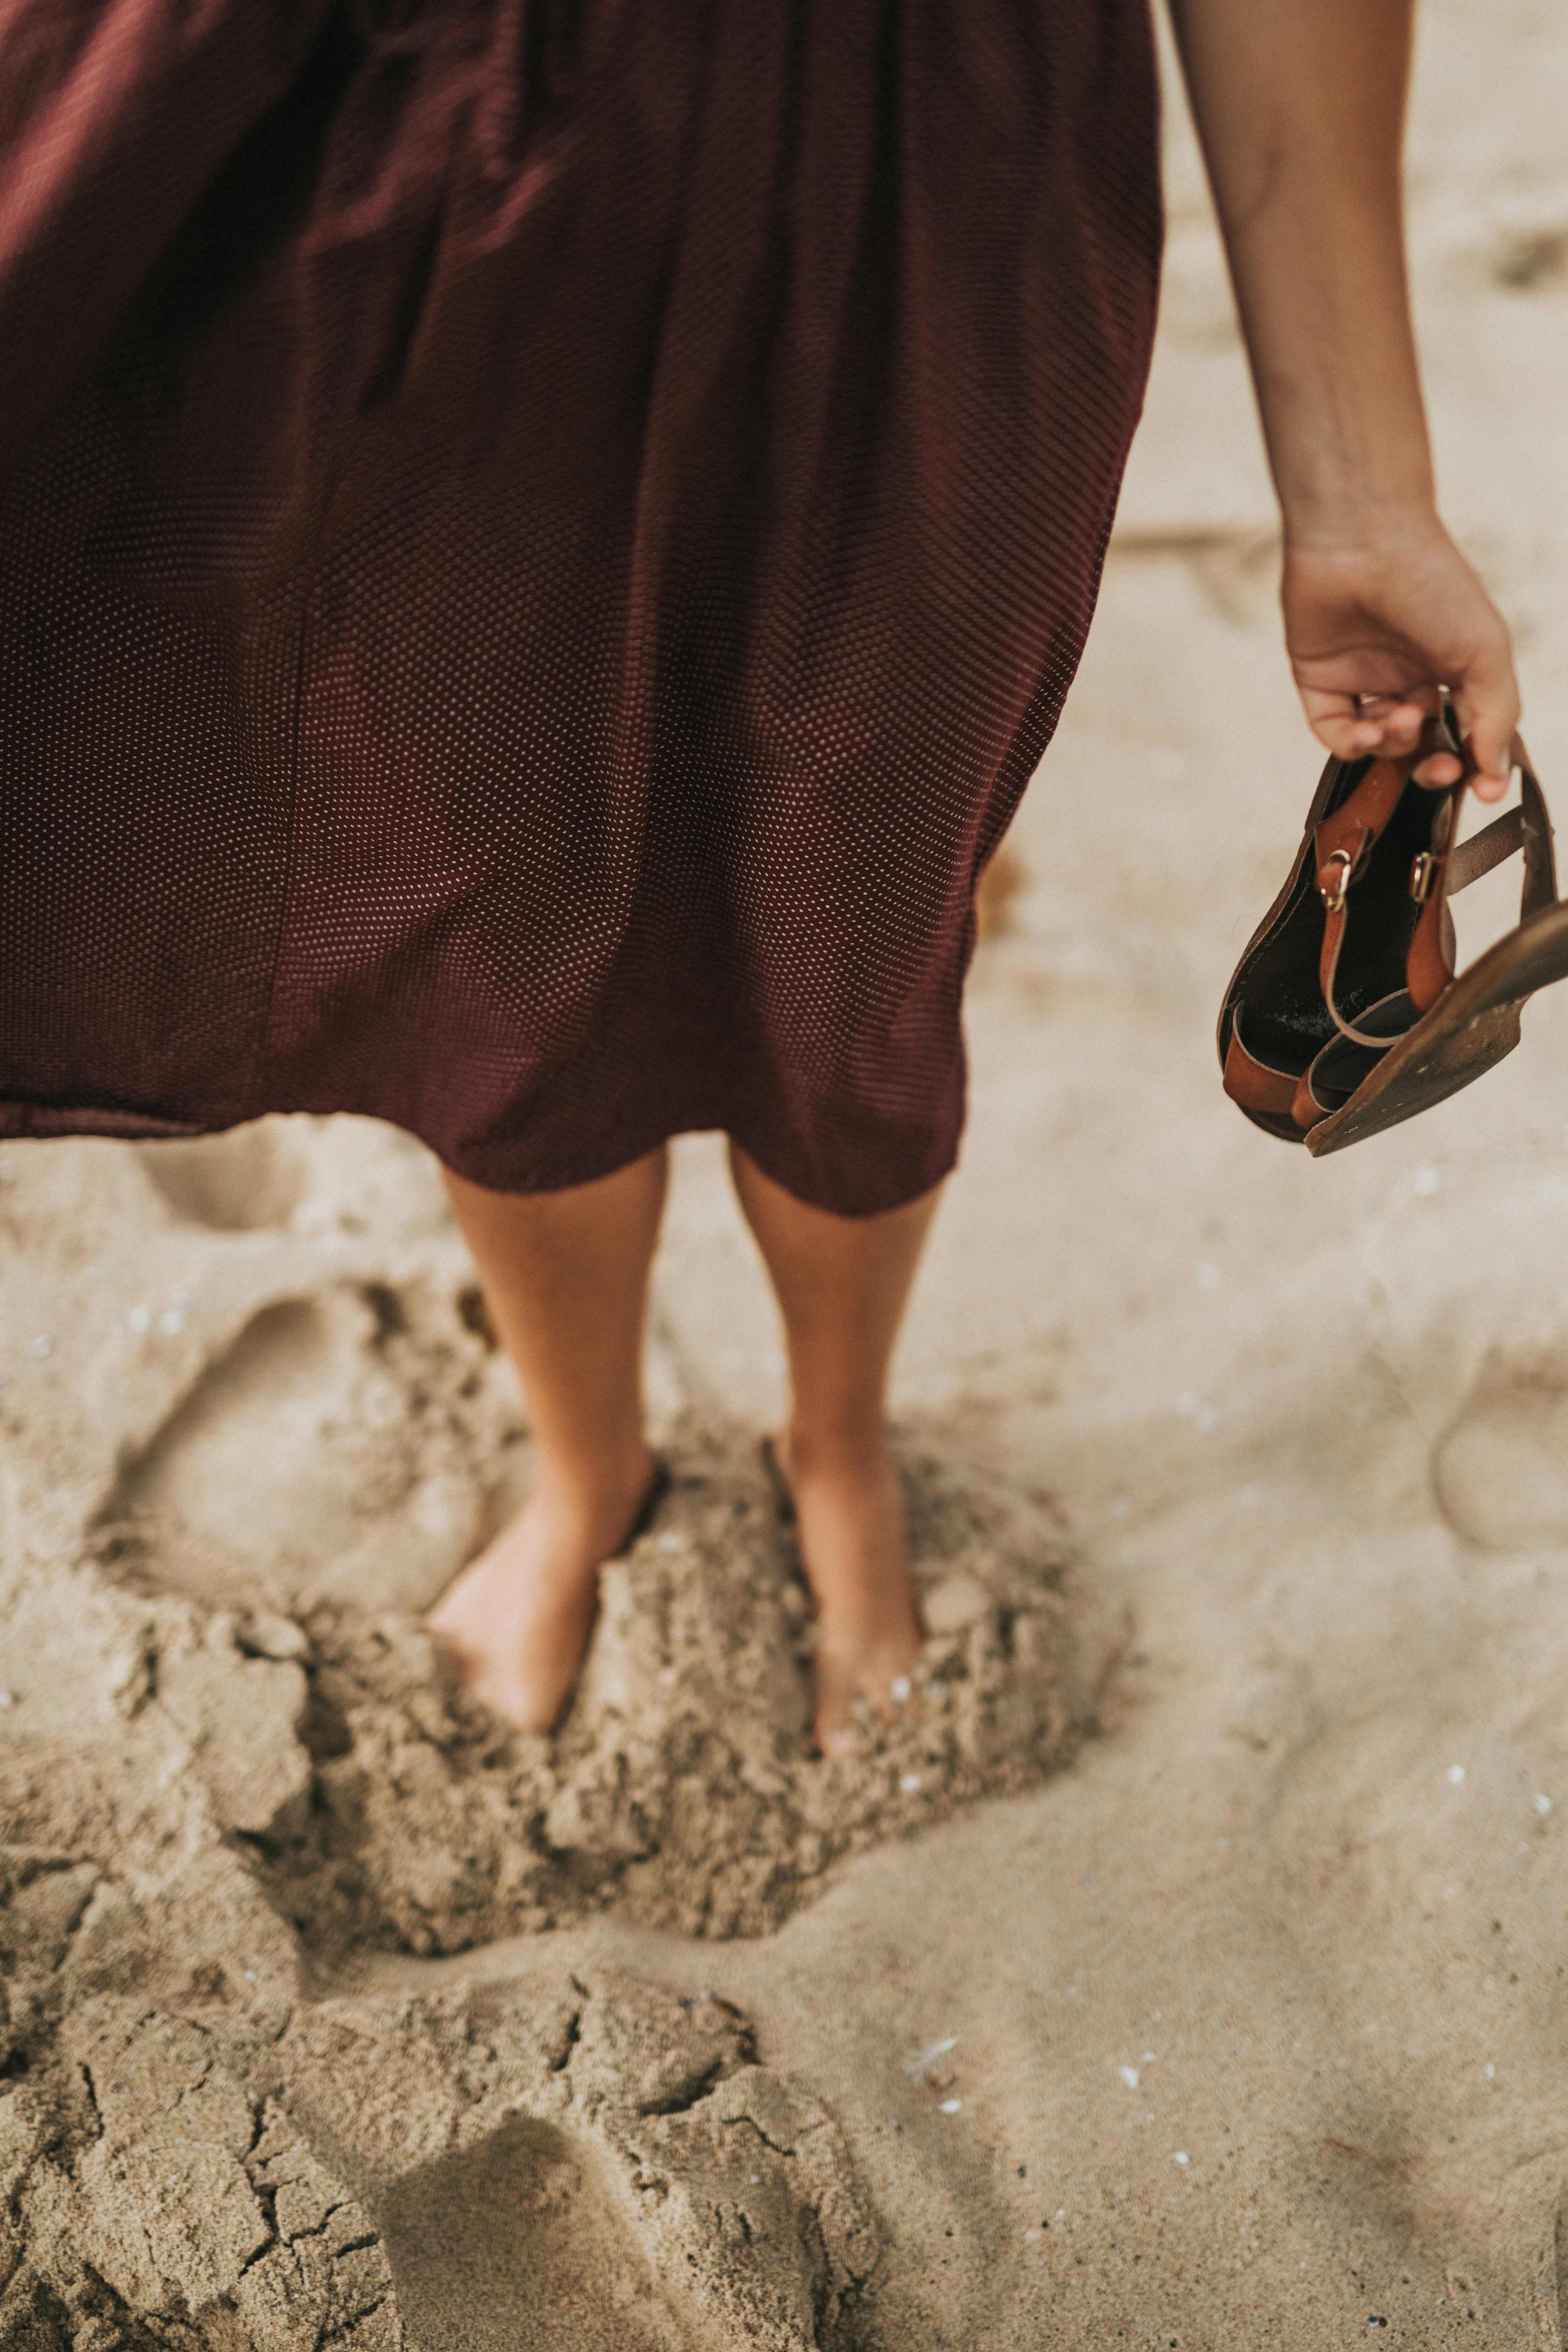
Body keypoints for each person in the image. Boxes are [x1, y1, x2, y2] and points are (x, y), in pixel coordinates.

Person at [0, 0, 1519, 1759]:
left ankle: (838, 1441)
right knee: (495, 910)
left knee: (858, 922)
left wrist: (1358, 489)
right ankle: (589, 1463)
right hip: (448, 135)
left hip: (921, 177)